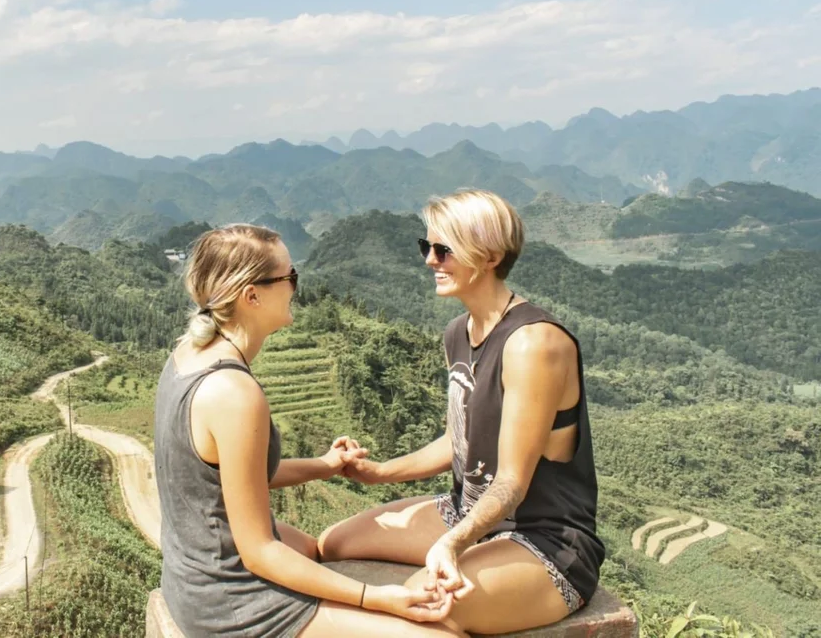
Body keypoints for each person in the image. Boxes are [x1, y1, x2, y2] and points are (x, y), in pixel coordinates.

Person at [154, 224, 465, 638]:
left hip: (189, 577)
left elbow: (234, 475)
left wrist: (326, 465)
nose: (296, 287)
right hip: (230, 601)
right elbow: (261, 552)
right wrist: (378, 597)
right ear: (252, 296)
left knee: (318, 549)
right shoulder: (233, 393)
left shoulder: (187, 354)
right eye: (290, 278)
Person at [318, 190, 605, 636]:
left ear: (489, 256)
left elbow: (511, 482)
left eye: (443, 250)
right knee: (334, 544)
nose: (430, 260)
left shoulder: (534, 344)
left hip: (544, 538)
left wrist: (452, 543)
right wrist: (378, 473)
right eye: (426, 247)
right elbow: (459, 438)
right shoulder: (459, 332)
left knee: (426, 607)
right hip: (467, 512)